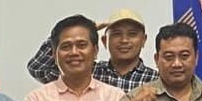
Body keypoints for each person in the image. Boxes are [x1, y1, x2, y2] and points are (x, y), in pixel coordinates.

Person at [26, 9, 159, 92]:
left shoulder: (156, 80)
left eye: (132, 34)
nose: (124, 40)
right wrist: (84, 30)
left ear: (144, 40)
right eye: (117, 34)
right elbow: (38, 69)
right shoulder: (87, 72)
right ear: (104, 41)